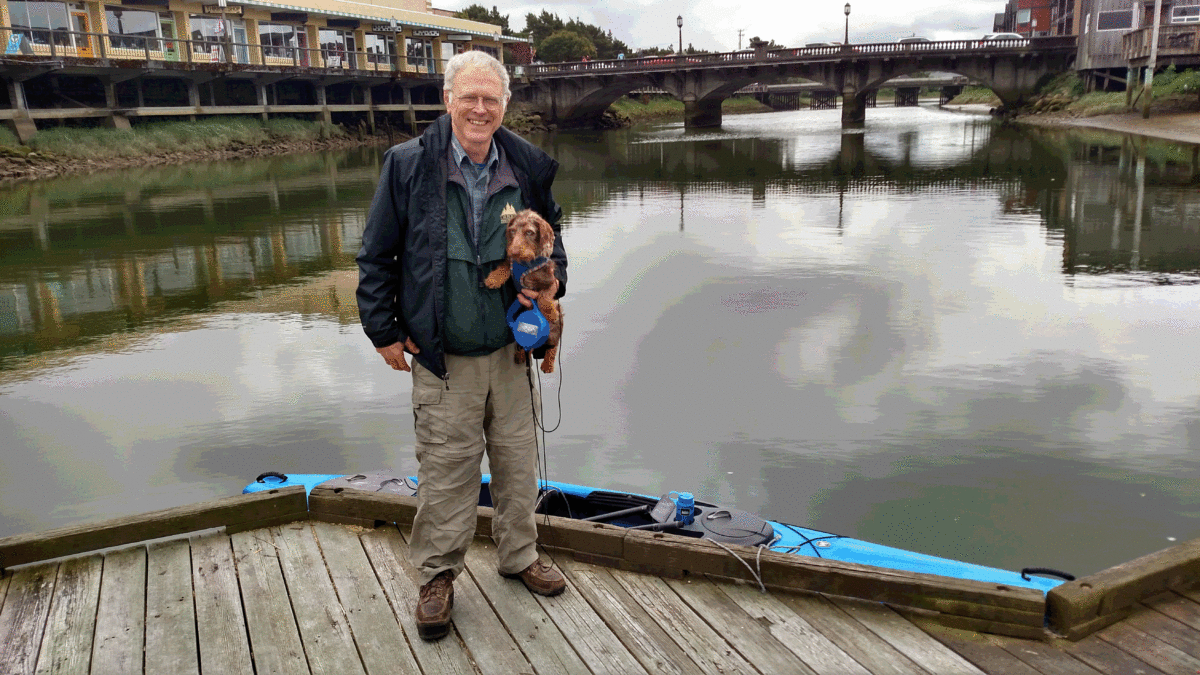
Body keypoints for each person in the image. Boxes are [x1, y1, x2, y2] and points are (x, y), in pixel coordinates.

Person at [356, 50, 568, 642]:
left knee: (518, 464)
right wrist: (383, 331)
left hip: (512, 351)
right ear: (447, 100)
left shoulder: (528, 166)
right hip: (442, 357)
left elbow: (555, 247)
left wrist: (550, 290)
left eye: (491, 99)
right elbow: (376, 256)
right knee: (447, 473)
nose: (480, 108)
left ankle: (519, 555)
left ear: (504, 105)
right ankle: (438, 576)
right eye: (469, 97)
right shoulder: (407, 165)